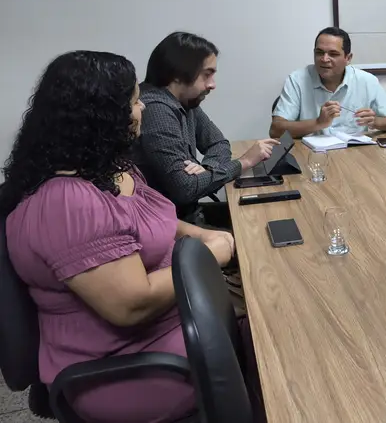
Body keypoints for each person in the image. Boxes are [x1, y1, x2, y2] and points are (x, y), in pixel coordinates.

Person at [0, 51, 237, 423]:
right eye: (134, 101)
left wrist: (207, 236)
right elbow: (132, 304)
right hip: (129, 370)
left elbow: (156, 220)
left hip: (178, 330)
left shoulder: (113, 170)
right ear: (104, 115)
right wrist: (210, 255)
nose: (143, 108)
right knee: (275, 357)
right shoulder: (67, 204)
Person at [136, 32, 278, 224]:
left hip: (186, 214)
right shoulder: (156, 110)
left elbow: (218, 143)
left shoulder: (186, 100)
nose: (212, 84)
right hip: (171, 225)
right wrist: (244, 162)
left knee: (264, 212)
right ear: (177, 74)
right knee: (259, 226)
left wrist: (206, 168)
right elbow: (186, 189)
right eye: (207, 75)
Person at [270, 27, 386, 139]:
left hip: (354, 153)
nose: (324, 59)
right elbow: (276, 130)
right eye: (319, 53)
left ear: (348, 58)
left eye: (333, 54)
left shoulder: (366, 81)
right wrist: (318, 123)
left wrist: (376, 122)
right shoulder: (297, 80)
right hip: (310, 155)